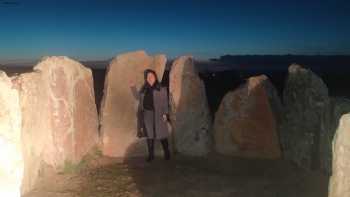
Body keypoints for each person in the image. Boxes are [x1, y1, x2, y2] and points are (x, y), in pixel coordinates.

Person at [137, 69, 171, 162]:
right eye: (148, 77)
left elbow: (165, 102)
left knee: (162, 134)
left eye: (151, 76)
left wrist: (165, 114)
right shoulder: (144, 89)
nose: (150, 78)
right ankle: (151, 155)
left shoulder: (161, 88)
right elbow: (139, 98)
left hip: (159, 114)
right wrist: (132, 88)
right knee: (150, 135)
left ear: (155, 77)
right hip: (147, 114)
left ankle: (167, 152)